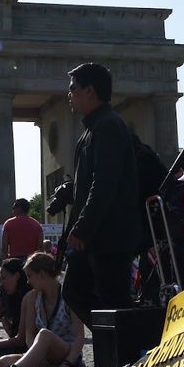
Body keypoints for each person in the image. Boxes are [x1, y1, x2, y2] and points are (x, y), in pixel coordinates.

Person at [62, 62, 141, 325]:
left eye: (73, 88)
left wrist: (82, 228)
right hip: (93, 235)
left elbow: (104, 183)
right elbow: (87, 186)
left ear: (90, 91)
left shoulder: (109, 126)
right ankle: (116, 346)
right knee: (75, 292)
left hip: (109, 235)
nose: (68, 94)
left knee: (113, 301)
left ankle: (130, 353)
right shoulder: (91, 131)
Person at [0, 252, 85, 367]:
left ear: (42, 274)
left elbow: (80, 337)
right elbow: (29, 334)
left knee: (44, 334)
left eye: (30, 276)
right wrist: (38, 356)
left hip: (66, 353)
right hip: (45, 355)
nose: (28, 281)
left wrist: (68, 362)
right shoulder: (32, 298)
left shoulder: (68, 295)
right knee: (2, 362)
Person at [0, 257, 31, 367]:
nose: (1, 284)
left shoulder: (28, 297)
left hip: (27, 353)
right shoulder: (14, 296)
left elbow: (20, 340)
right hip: (17, 349)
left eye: (4, 278)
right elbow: (13, 334)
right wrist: (0, 311)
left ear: (16, 276)